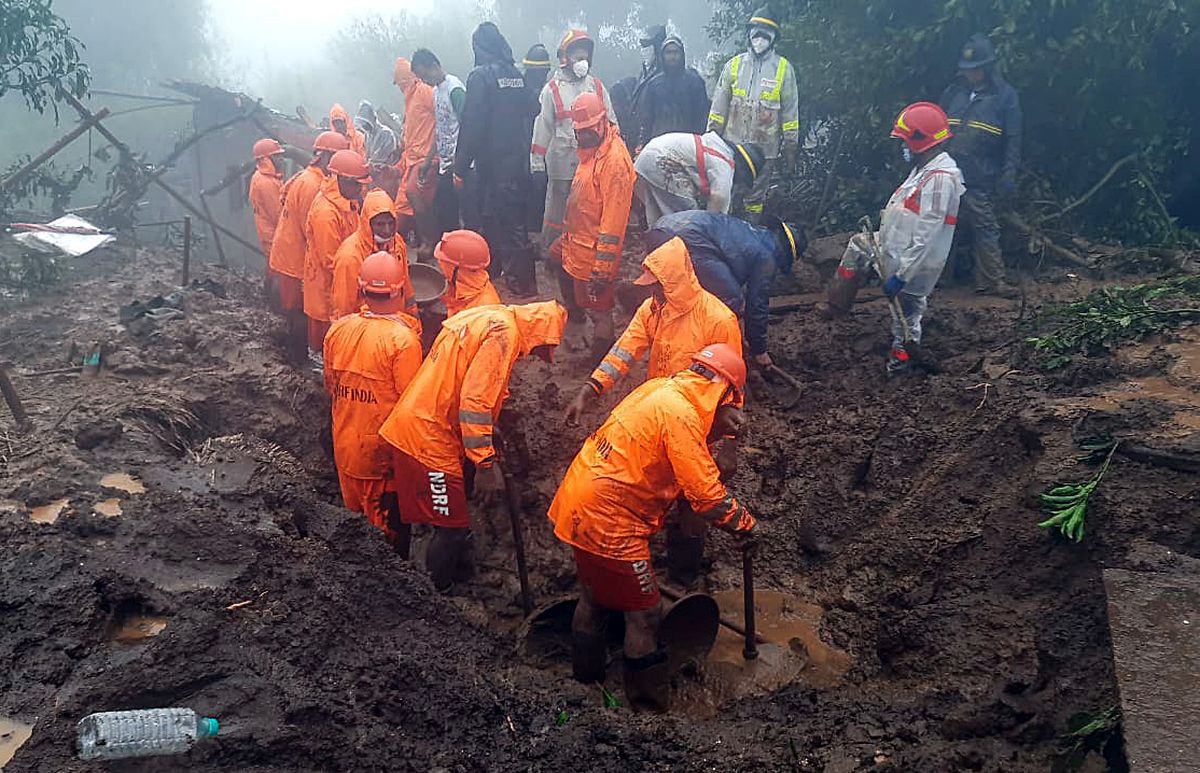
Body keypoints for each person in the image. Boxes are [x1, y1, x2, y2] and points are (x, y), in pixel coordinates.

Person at [548, 343, 756, 711]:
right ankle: (647, 710)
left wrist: (720, 433)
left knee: (594, 596)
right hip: (611, 521)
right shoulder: (683, 414)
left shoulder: (660, 389)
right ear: (723, 391)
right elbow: (706, 495)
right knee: (645, 614)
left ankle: (585, 681)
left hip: (580, 499)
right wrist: (745, 526)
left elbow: (671, 451)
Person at [565, 235, 744, 585]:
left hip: (697, 426)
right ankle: (639, 559)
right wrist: (591, 388)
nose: (653, 293)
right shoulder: (652, 309)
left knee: (695, 499)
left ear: (674, 282)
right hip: (656, 418)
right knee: (651, 489)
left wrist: (730, 445)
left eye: (658, 286)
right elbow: (625, 350)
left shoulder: (718, 320)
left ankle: (683, 577)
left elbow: (733, 384)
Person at [378, 300, 568, 591]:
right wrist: (484, 464)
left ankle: (450, 571)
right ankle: (437, 595)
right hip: (427, 439)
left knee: (446, 519)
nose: (532, 357)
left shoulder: (486, 316)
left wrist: (489, 432)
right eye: (541, 350)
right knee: (451, 529)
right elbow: (474, 402)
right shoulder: (504, 334)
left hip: (422, 423)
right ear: (541, 334)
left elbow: (462, 381)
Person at [817, 102, 964, 375]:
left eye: (905, 142)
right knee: (859, 244)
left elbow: (926, 236)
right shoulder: (924, 170)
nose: (902, 148)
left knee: (906, 316)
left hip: (913, 264)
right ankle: (837, 304)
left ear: (921, 141)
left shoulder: (941, 180)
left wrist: (903, 276)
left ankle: (900, 366)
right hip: (892, 248)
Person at [323, 252, 423, 555]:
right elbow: (410, 408)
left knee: (354, 528)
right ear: (400, 290)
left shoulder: (338, 330)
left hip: (345, 450)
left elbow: (331, 385)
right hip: (381, 462)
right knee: (386, 542)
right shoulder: (403, 342)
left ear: (361, 289)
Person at [652, 210, 803, 368]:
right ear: (787, 254)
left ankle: (672, 332)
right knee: (731, 300)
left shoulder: (754, 233)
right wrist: (759, 350)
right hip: (689, 237)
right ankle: (712, 351)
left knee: (686, 292)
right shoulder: (768, 257)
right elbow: (757, 304)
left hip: (663, 227)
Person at [457, 22, 541, 297]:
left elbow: (472, 124)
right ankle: (508, 274)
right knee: (512, 219)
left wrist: (460, 164)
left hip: (492, 164)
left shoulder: (480, 77)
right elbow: (534, 106)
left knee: (498, 218)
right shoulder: (514, 73)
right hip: (518, 161)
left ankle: (520, 282)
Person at [940, 33, 1022, 298]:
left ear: (987, 68)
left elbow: (1013, 138)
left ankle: (991, 281)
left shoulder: (1005, 97)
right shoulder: (954, 93)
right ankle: (939, 277)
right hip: (948, 173)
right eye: (968, 70)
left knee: (985, 226)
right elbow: (938, 129)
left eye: (975, 69)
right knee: (942, 226)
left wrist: (1009, 172)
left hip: (980, 175)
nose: (971, 75)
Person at [555, 92, 636, 358]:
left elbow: (613, 225)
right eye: (580, 130)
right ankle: (580, 325)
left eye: (589, 129)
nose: (584, 135)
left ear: (603, 122)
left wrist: (602, 271)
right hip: (577, 244)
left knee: (600, 309)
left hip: (593, 255)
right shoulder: (592, 153)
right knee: (559, 268)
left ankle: (600, 358)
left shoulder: (614, 163)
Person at [707, 7, 799, 221]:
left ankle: (750, 235)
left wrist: (790, 153)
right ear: (748, 34)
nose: (760, 37)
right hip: (731, 147)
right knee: (725, 193)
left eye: (766, 32)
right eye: (756, 31)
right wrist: (711, 139)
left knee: (755, 200)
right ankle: (722, 235)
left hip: (764, 151)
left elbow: (790, 118)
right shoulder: (734, 66)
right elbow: (718, 109)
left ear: (774, 38)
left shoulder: (784, 70)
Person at [532, 30, 618, 252]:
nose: (582, 61)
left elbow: (611, 122)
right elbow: (543, 127)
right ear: (565, 58)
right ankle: (550, 251)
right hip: (562, 160)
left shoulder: (597, 86)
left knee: (588, 206)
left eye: (585, 57)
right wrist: (537, 162)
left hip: (593, 161)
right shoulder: (552, 89)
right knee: (557, 209)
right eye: (577, 57)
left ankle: (582, 249)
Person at [270, 131, 351, 364]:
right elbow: (313, 231)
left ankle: (299, 357)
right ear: (324, 157)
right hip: (293, 259)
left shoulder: (309, 178)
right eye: (335, 158)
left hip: (290, 253)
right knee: (297, 311)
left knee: (297, 310)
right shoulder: (312, 185)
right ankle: (298, 361)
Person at [304, 149, 369, 365]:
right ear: (342, 180)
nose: (361, 189)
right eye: (357, 184)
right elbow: (331, 260)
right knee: (326, 345)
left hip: (343, 283)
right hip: (326, 289)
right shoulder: (326, 213)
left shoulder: (347, 201)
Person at [633, 131, 764, 223]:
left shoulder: (715, 147)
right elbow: (720, 198)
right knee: (688, 221)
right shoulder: (725, 163)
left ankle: (656, 257)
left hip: (643, 163)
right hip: (662, 162)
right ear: (742, 168)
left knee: (659, 218)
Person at [331, 189, 415, 321]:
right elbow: (344, 308)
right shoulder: (349, 257)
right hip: (366, 328)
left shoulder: (397, 242)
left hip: (395, 324)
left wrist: (413, 316)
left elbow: (406, 285)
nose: (387, 230)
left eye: (391, 223)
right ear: (367, 223)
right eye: (380, 224)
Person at [412, 49, 466, 239]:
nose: (424, 80)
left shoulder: (455, 89)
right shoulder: (435, 92)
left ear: (434, 66)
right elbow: (440, 129)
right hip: (445, 164)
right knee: (445, 214)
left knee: (463, 216)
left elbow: (467, 126)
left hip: (459, 165)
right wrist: (427, 161)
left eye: (425, 75)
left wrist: (459, 160)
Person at [392, 57, 438, 244]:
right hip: (410, 160)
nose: (400, 88)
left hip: (427, 158)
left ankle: (431, 241)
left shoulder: (425, 91)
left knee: (414, 193)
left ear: (406, 80)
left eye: (401, 84)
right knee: (400, 212)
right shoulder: (409, 101)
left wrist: (432, 155)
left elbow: (442, 117)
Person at [634, 35, 709, 147]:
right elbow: (647, 120)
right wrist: (644, 144)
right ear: (662, 56)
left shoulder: (695, 82)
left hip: (689, 145)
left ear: (682, 54)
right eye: (668, 53)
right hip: (660, 144)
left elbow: (702, 117)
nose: (672, 57)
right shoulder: (654, 85)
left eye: (675, 52)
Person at [521, 43, 553, 235]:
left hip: (544, 151)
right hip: (525, 149)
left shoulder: (550, 91)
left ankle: (536, 232)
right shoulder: (523, 90)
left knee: (541, 193)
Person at [435, 229, 501, 318]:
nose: (439, 263)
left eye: (443, 262)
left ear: (458, 268)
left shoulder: (480, 313)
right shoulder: (466, 284)